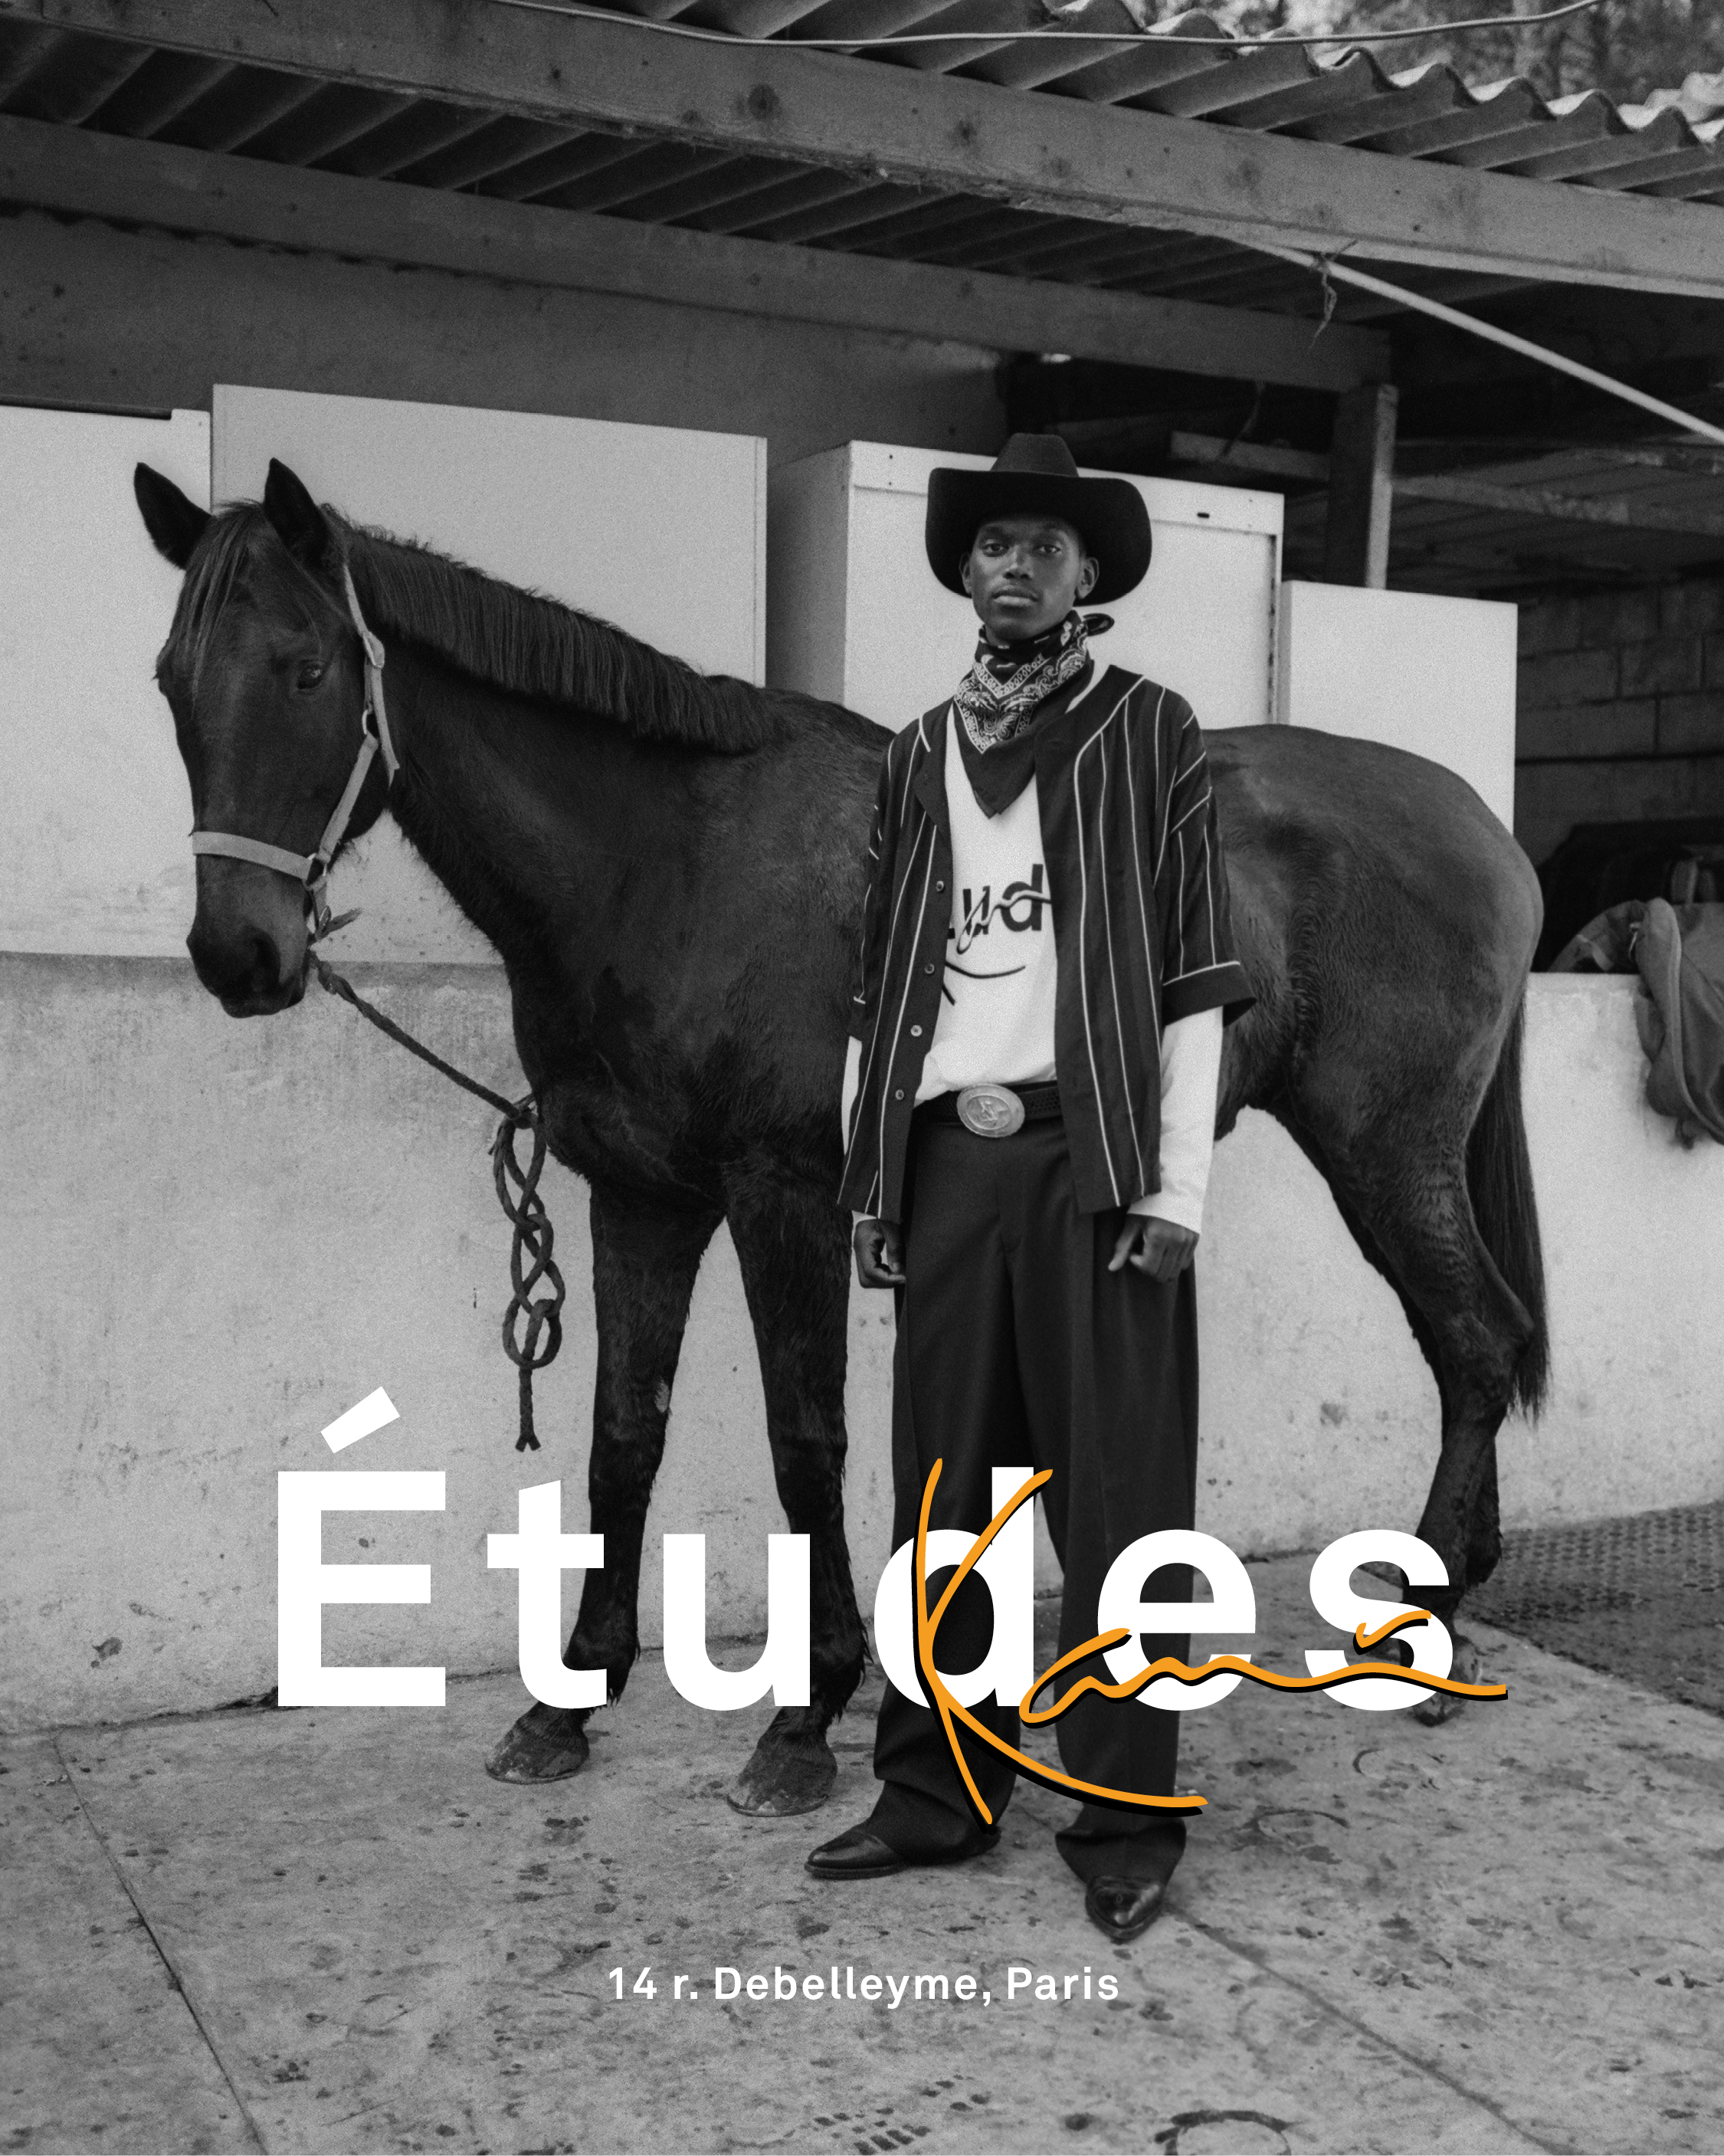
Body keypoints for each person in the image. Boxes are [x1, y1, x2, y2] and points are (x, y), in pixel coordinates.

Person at [808, 432, 1254, 1943]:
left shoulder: (1150, 730)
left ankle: (1124, 1815)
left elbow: (1192, 976)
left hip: (1094, 1158)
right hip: (948, 1160)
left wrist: (1176, 1190)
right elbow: (882, 982)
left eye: (1042, 547)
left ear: (1087, 576)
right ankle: (937, 1794)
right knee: (949, 1505)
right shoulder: (914, 750)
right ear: (967, 569)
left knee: (1119, 1502)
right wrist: (874, 1172)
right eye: (992, 542)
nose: (1012, 565)